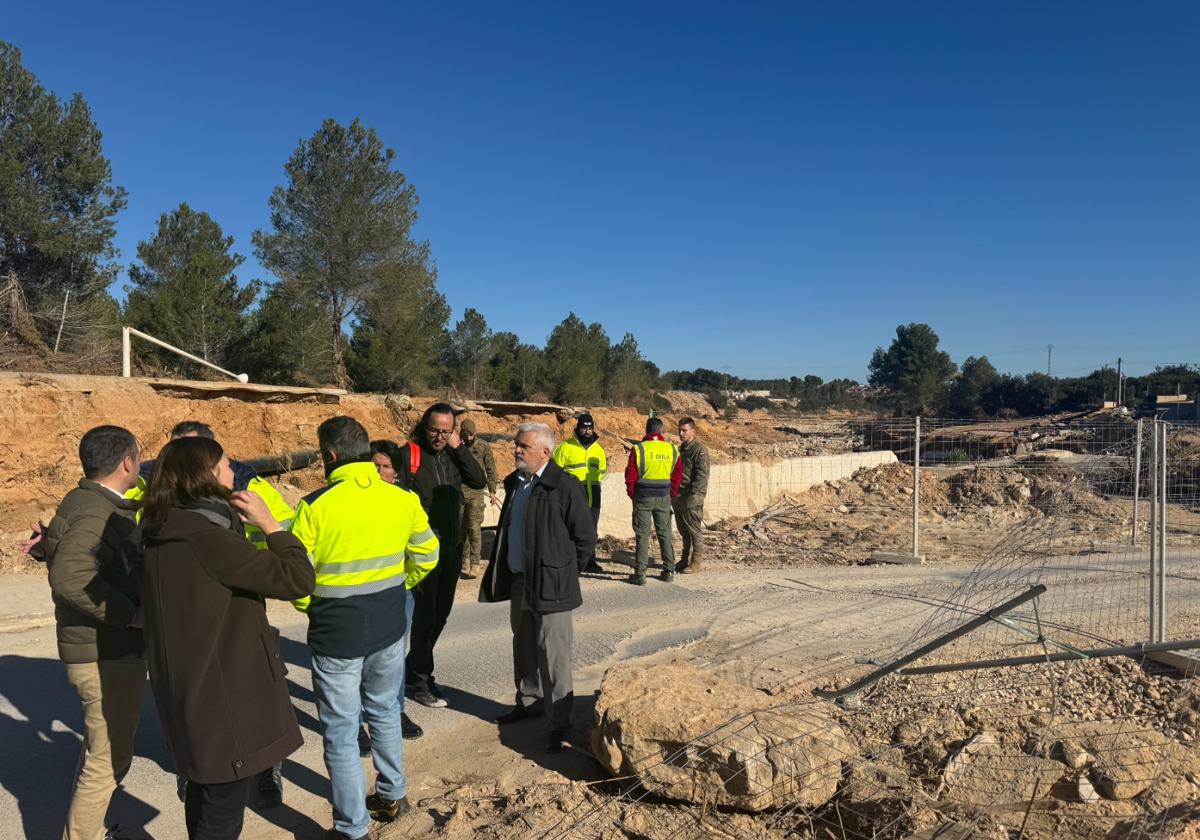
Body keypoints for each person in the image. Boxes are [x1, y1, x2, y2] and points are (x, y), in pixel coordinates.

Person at [133, 436, 315, 840]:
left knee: (205, 799)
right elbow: (298, 580)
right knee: (221, 815)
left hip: (190, 694)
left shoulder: (159, 529)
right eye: (228, 463)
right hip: (222, 705)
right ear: (208, 475)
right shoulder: (206, 538)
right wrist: (271, 525)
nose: (235, 470)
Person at [291, 417, 440, 839]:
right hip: (389, 626)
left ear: (331, 456)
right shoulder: (402, 499)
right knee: (385, 712)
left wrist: (311, 607)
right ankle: (393, 795)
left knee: (340, 731)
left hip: (336, 633)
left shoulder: (315, 506)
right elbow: (428, 554)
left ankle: (352, 826)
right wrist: (400, 587)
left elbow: (296, 577)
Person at [45, 425, 145, 840]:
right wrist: (131, 615)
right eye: (139, 456)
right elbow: (70, 576)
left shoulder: (89, 500)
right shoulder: (97, 511)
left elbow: (73, 557)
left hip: (100, 649)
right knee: (107, 760)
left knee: (101, 753)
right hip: (106, 653)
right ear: (127, 462)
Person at [479, 423, 594, 753]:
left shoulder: (563, 485)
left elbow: (584, 538)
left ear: (545, 452)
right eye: (516, 444)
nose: (516, 450)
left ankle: (560, 723)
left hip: (552, 586)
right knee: (525, 645)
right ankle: (529, 703)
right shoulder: (515, 483)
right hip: (521, 582)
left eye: (523, 446)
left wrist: (564, 572)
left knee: (554, 656)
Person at [394, 403, 486, 709]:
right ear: (424, 426)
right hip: (422, 552)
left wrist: (458, 448)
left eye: (446, 431)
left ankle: (415, 667)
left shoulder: (451, 454)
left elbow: (477, 480)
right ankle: (419, 679)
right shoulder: (408, 455)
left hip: (451, 547)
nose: (439, 436)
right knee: (424, 615)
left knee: (441, 614)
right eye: (435, 429)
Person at [364, 440, 424, 741]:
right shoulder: (354, 500)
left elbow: (424, 550)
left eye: (386, 466)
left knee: (394, 654)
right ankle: (358, 722)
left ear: (396, 473)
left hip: (398, 591)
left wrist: (407, 582)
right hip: (359, 591)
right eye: (374, 465)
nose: (379, 471)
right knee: (359, 657)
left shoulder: (406, 501)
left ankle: (396, 710)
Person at [623, 417, 682, 585]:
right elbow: (677, 474)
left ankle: (640, 575)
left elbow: (631, 474)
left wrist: (633, 493)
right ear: (661, 431)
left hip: (643, 497)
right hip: (664, 497)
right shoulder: (672, 449)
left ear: (646, 431)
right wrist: (671, 493)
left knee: (642, 535)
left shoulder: (639, 449)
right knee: (665, 533)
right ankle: (669, 571)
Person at [552, 413, 606, 573]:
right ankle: (569, 561)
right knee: (570, 527)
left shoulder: (599, 449)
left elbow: (603, 470)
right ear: (578, 428)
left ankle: (590, 561)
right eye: (584, 428)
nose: (587, 431)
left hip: (593, 492)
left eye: (590, 428)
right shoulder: (565, 447)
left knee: (591, 529)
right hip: (573, 494)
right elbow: (555, 471)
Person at [458, 419, 499, 581]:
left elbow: (491, 469)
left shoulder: (483, 446)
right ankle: (464, 561)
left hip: (476, 492)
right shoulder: (456, 446)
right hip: (459, 493)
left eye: (471, 434)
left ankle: (475, 563)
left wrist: (492, 491)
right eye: (466, 434)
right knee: (462, 529)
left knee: (474, 528)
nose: (468, 437)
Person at [673, 417, 710, 574]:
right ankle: (685, 559)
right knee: (683, 531)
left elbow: (702, 476)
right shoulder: (681, 450)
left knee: (694, 530)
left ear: (693, 431)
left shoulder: (699, 450)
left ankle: (696, 562)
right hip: (679, 495)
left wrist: (693, 494)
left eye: (684, 430)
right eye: (679, 430)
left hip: (692, 496)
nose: (681, 433)